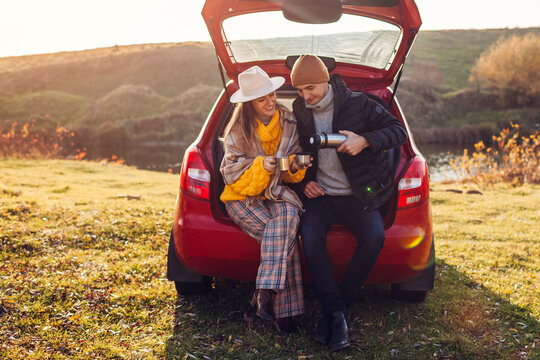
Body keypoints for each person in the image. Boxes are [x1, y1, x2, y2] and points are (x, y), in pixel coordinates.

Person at [289, 54, 408, 351]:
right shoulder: (299, 109)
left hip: (359, 194)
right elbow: (299, 151)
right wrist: (305, 182)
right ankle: (337, 315)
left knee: (374, 238)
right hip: (322, 196)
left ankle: (336, 308)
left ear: (326, 81)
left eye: (311, 88)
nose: (306, 96)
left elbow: (398, 132)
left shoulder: (361, 103)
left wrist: (364, 140)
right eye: (300, 90)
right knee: (311, 238)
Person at [220, 65, 309, 335]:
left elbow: (292, 166)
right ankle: (285, 316)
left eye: (272, 95)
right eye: (262, 99)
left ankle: (265, 292)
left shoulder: (289, 121)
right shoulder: (237, 130)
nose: (271, 102)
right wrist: (262, 166)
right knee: (286, 238)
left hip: (277, 192)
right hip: (242, 197)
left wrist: (294, 166)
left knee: (287, 218)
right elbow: (231, 175)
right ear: (249, 104)